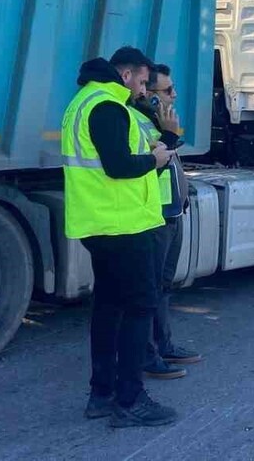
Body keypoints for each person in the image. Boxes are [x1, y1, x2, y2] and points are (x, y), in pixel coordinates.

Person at [62, 47, 177, 428]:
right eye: (143, 81)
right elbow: (118, 167)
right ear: (125, 75)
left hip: (101, 223)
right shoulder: (108, 107)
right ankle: (130, 399)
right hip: (123, 225)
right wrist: (154, 160)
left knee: (109, 307)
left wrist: (154, 150)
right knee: (140, 307)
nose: (142, 89)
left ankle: (102, 394)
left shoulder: (85, 101)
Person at [131, 65, 203, 381]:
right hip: (154, 217)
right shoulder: (140, 125)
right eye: (167, 90)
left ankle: (163, 344)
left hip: (173, 212)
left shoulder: (159, 123)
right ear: (149, 94)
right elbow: (149, 168)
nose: (174, 95)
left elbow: (174, 164)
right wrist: (169, 135)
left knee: (164, 285)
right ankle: (147, 355)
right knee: (148, 287)